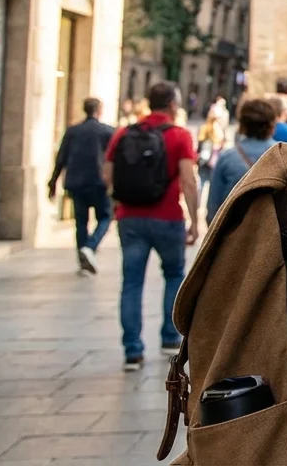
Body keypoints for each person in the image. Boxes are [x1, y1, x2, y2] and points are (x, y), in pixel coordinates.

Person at [103, 82, 199, 372]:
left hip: (130, 218)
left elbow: (107, 175)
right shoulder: (180, 135)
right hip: (168, 217)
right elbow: (188, 180)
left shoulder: (123, 133)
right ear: (171, 104)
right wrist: (194, 220)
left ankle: (132, 350)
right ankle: (169, 338)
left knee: (131, 282)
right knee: (173, 275)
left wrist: (118, 206)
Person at [49, 98, 115, 274]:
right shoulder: (107, 131)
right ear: (99, 110)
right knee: (105, 217)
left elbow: (61, 158)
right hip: (99, 182)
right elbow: (115, 159)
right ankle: (90, 247)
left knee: (81, 222)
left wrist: (53, 182)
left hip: (76, 182)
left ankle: (83, 258)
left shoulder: (73, 131)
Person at [206, 98, 278, 223]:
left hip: (234, 233)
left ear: (242, 125)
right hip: (272, 234)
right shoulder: (283, 154)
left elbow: (214, 206)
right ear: (272, 125)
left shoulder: (227, 158)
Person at [196, 114, 227, 202]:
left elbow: (199, 147)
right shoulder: (219, 131)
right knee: (212, 187)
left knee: (201, 184)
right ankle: (209, 206)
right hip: (214, 163)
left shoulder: (203, 129)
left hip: (203, 162)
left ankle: (198, 204)